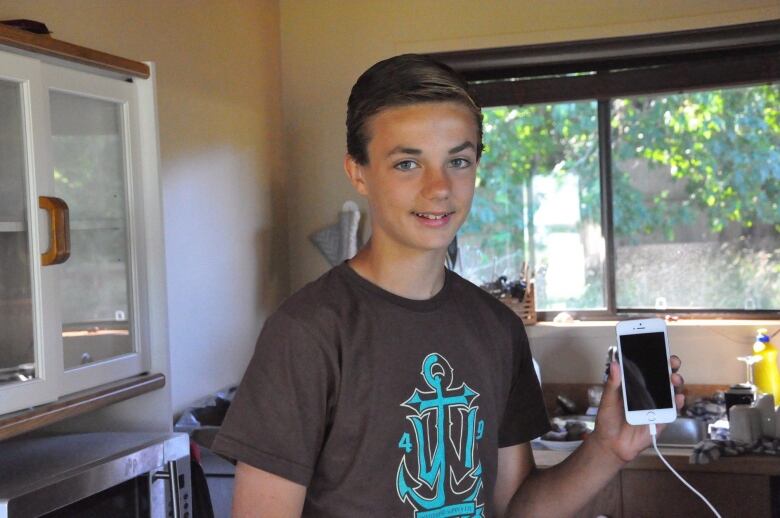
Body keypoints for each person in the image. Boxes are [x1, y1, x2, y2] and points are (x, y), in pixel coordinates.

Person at [212, 54, 685, 517]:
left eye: (458, 161)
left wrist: (607, 449)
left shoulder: (497, 329)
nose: (439, 188)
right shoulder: (308, 332)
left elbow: (512, 508)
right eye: (407, 164)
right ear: (358, 172)